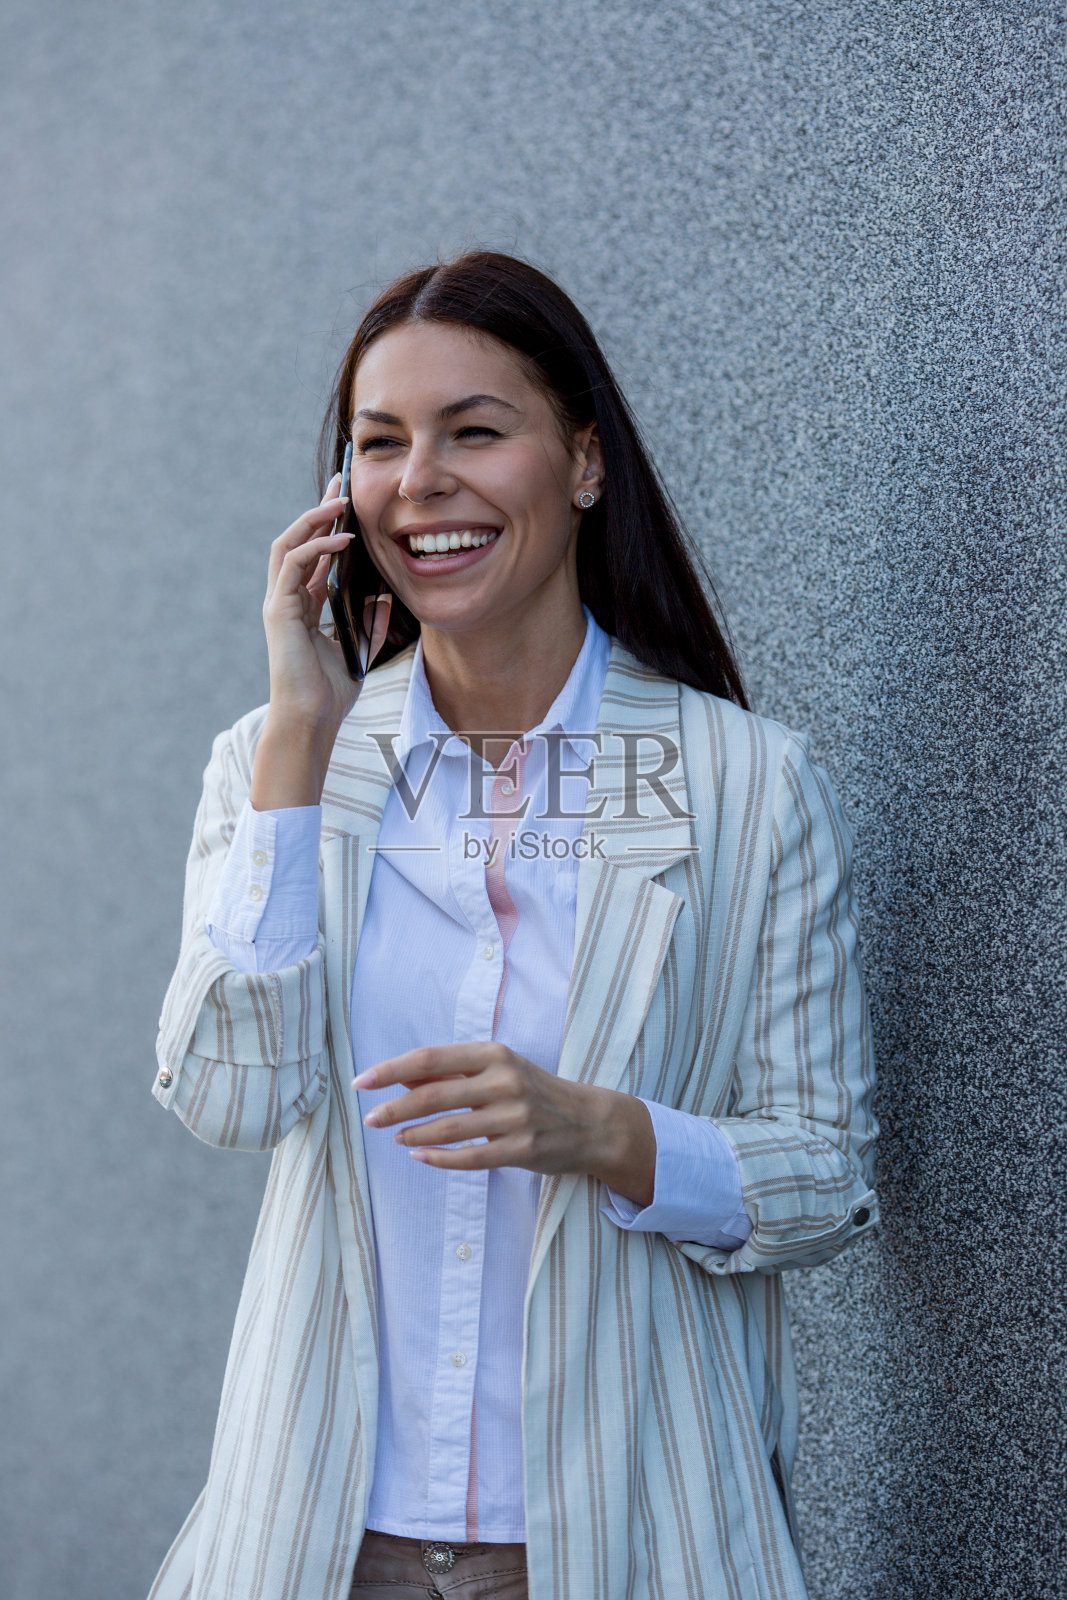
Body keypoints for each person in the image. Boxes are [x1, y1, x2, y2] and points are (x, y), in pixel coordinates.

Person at [148, 251, 878, 1600]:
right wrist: (303, 737)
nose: (420, 481)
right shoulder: (277, 763)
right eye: (382, 443)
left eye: (475, 431)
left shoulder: (743, 783)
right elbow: (230, 1095)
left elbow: (828, 1177)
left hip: (628, 1532)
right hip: (321, 1536)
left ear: (585, 464)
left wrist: (605, 1134)